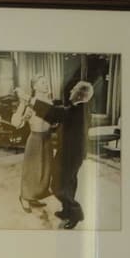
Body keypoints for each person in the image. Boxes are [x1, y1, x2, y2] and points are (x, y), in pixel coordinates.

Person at [9, 74, 60, 212]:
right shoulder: (30, 103)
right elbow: (16, 123)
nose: (46, 84)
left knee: (44, 170)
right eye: (43, 82)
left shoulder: (49, 102)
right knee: (31, 171)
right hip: (35, 139)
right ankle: (24, 198)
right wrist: (22, 107)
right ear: (35, 86)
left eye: (47, 82)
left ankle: (34, 196)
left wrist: (53, 123)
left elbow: (53, 120)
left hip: (47, 138)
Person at [53, 80, 95, 229]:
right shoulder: (79, 108)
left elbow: (57, 113)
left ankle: (76, 213)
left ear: (79, 95)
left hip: (71, 154)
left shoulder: (78, 111)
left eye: (73, 90)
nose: (70, 91)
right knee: (68, 183)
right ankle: (67, 211)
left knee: (58, 186)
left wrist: (31, 100)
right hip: (70, 152)